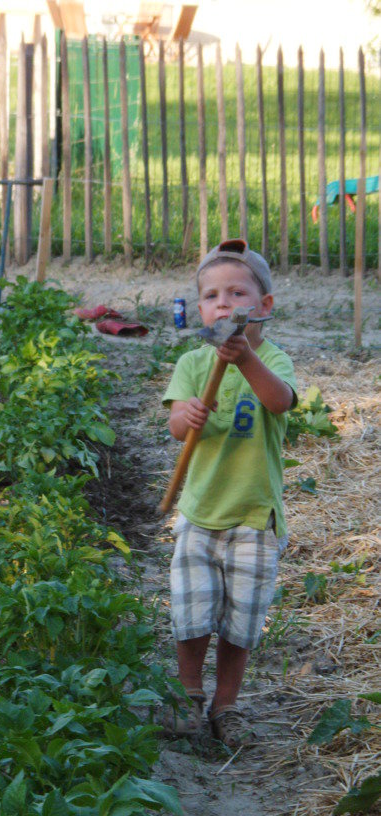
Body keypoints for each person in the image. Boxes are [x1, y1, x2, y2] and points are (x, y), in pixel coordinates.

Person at [162, 238, 298, 748]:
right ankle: (188, 692)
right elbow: (177, 423)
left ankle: (227, 704)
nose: (223, 303)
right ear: (200, 309)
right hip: (199, 513)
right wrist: (187, 416)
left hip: (253, 517)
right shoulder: (195, 364)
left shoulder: (273, 359)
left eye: (237, 293)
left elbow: (279, 401)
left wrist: (244, 360)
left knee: (240, 622)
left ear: (264, 306)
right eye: (212, 295)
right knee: (192, 612)